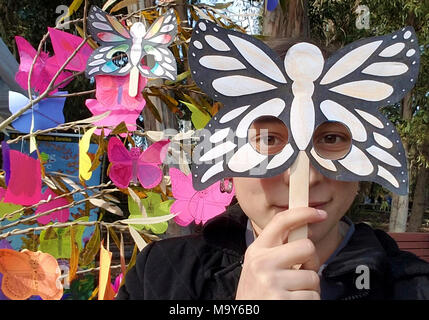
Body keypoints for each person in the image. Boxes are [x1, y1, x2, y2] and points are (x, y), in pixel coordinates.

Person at [116, 123, 429, 300]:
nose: (304, 178)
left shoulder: (413, 287)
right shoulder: (160, 275)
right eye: (269, 140)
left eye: (331, 139)